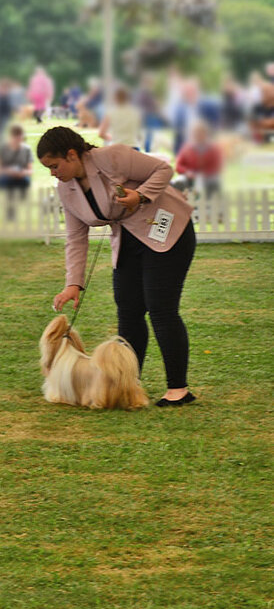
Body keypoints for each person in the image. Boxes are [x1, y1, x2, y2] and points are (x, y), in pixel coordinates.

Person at [38, 126, 197, 407]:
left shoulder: (113, 157)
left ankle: (178, 389)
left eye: (54, 165)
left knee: (161, 308)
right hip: (127, 241)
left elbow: (163, 169)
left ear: (72, 154)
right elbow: (76, 238)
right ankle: (125, 385)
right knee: (129, 309)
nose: (52, 173)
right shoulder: (67, 190)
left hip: (166, 231)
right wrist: (73, 283)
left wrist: (141, 195)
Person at [175, 121, 223, 199]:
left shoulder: (213, 148)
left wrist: (202, 175)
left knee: (211, 183)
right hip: (190, 178)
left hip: (208, 178)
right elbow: (178, 165)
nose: (198, 135)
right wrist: (187, 172)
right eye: (196, 133)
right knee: (180, 182)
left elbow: (216, 166)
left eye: (201, 133)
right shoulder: (187, 148)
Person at [0, 124, 33, 220]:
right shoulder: (2, 149)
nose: (18, 141)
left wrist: (23, 173)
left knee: (24, 182)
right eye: (16, 138)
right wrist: (8, 171)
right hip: (6, 177)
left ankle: (14, 205)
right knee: (10, 185)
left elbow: (30, 169)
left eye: (20, 138)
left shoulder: (26, 150)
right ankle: (10, 211)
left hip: (21, 176)